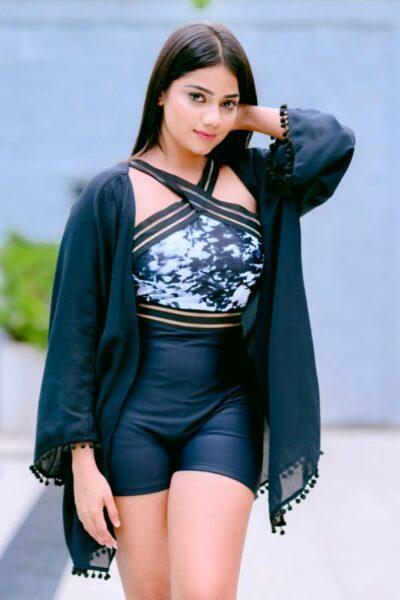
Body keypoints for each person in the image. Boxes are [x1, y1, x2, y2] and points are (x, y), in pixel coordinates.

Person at [29, 20, 356, 597]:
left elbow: (332, 143)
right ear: (161, 93)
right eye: (196, 97)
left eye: (225, 102)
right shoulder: (110, 195)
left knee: (205, 592)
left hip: (225, 409)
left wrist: (243, 117)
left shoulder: (258, 180)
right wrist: (83, 463)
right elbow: (73, 334)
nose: (210, 118)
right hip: (132, 419)